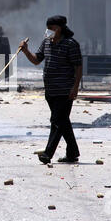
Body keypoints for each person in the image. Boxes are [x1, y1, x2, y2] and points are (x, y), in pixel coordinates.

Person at [20, 15, 83, 164]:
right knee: (63, 122)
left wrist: (75, 87)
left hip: (65, 90)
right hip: (51, 91)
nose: (48, 31)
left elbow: (78, 67)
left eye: (51, 29)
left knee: (56, 121)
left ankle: (48, 154)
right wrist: (26, 51)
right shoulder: (47, 42)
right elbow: (36, 60)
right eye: (47, 28)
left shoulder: (70, 44)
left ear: (59, 29)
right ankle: (72, 152)